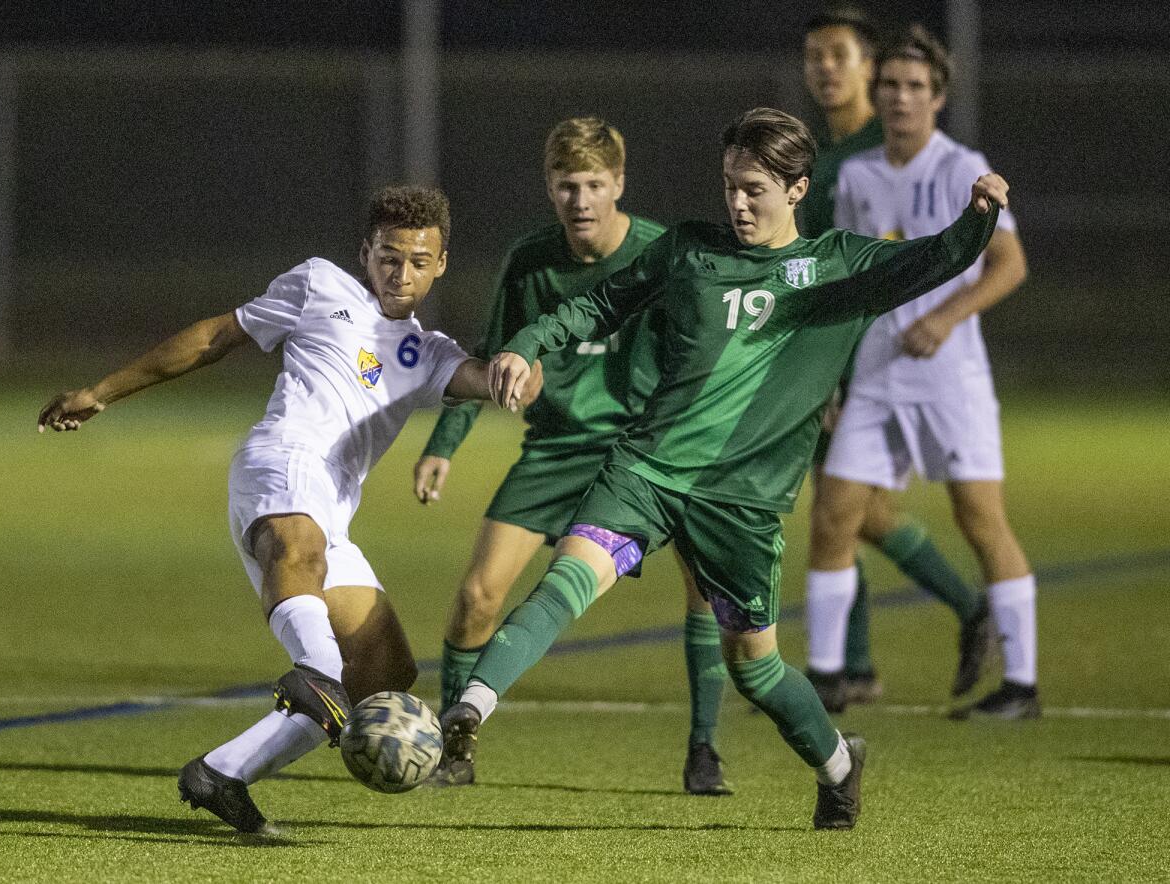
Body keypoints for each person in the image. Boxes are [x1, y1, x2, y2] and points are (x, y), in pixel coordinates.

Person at [442, 107, 1009, 830]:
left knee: (755, 669)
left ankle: (838, 764)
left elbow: (933, 258)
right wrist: (525, 344)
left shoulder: (839, 267)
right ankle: (470, 707)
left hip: (740, 504)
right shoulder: (688, 251)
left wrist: (978, 217)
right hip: (646, 470)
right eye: (730, 187)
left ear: (799, 187)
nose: (737, 204)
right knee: (567, 580)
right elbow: (596, 307)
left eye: (755, 189)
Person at [37, 186, 541, 833]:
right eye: (389, 257)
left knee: (383, 671)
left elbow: (487, 381)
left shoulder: (429, 351)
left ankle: (223, 772)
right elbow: (216, 336)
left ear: (440, 264)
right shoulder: (319, 284)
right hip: (280, 462)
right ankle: (315, 672)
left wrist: (519, 369)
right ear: (366, 253)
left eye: (419, 261)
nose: (402, 273)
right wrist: (102, 392)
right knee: (309, 598)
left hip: (331, 505)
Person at [413, 117, 731, 794]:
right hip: (556, 449)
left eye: (593, 184)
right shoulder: (531, 260)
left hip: (649, 451)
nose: (579, 199)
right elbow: (490, 356)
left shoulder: (663, 254)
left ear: (619, 183)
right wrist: (443, 446)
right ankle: (454, 747)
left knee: (707, 593)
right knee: (476, 596)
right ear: (549, 187)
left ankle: (705, 750)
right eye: (566, 185)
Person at [810, 26, 1039, 720]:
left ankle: (1022, 686)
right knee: (834, 516)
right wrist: (834, 377)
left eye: (916, 88)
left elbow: (1010, 264)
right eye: (892, 88)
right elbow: (848, 281)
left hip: (950, 378)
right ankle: (825, 680)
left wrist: (946, 317)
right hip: (876, 374)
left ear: (938, 98)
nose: (902, 98)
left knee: (980, 519)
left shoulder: (961, 166)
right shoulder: (855, 176)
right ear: (876, 96)